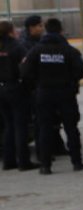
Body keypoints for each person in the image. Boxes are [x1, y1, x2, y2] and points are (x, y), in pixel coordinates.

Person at [21, 18, 83, 175]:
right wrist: (71, 79)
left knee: (44, 129)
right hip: (65, 92)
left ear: (46, 30)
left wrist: (36, 82)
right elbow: (82, 69)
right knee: (71, 128)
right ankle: (77, 162)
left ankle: (45, 166)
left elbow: (25, 71)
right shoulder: (69, 50)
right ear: (60, 31)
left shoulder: (36, 50)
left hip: (44, 93)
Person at [20, 15, 69, 158]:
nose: (42, 29)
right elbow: (27, 68)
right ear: (31, 28)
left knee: (54, 119)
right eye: (39, 26)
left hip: (48, 86)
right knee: (41, 121)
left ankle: (56, 146)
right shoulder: (26, 45)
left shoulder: (40, 42)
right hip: (37, 88)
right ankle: (45, 150)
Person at [0, 21, 39, 171]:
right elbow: (26, 67)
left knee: (9, 125)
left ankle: (9, 161)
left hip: (1, 89)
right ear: (10, 31)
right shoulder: (16, 47)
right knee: (20, 125)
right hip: (15, 88)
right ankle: (24, 161)